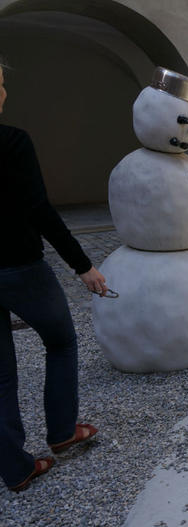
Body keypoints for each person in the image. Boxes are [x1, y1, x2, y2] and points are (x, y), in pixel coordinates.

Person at [0, 62, 106, 492]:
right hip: (20, 266)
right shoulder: (12, 142)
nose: (4, 93)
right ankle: (62, 431)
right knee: (61, 342)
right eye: (1, 85)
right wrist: (83, 266)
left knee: (1, 375)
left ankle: (16, 467)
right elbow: (39, 209)